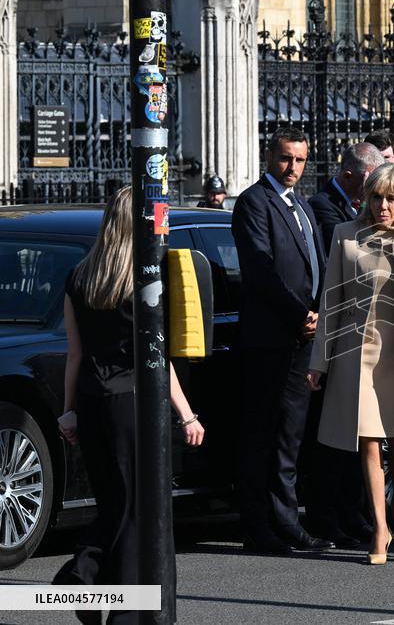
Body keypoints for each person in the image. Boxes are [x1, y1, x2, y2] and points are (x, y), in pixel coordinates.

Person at [54, 186, 204, 621]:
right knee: (139, 510)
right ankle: (92, 583)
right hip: (132, 406)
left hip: (92, 400)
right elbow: (157, 359)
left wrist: (69, 410)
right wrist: (187, 414)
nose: (165, 225)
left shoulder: (81, 277)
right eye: (159, 216)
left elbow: (76, 354)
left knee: (114, 504)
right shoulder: (144, 280)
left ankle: (91, 586)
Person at [306, 163, 394, 565]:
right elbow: (330, 301)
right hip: (357, 352)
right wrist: (320, 362)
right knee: (368, 441)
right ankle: (380, 527)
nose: (382, 206)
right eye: (376, 197)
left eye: (391, 199)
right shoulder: (346, 236)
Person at [231, 127, 333, 555]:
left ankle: (288, 522)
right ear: (269, 157)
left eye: (300, 160)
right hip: (270, 339)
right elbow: (261, 269)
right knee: (263, 435)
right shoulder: (254, 202)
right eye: (285, 159)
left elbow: (318, 264)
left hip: (303, 338)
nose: (293, 168)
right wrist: (300, 314)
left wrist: (322, 315)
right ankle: (261, 527)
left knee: (290, 436)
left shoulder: (302, 204)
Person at [304, 143, 384, 548]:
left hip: (367, 343)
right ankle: (328, 514)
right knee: (334, 440)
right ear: (355, 176)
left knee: (361, 438)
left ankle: (354, 513)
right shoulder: (325, 208)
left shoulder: (360, 209)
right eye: (375, 183)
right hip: (335, 337)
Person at [310, 143, 385, 255]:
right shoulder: (322, 204)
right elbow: (350, 245)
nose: (375, 187)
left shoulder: (357, 200)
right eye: (371, 182)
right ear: (347, 176)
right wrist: (367, 203)